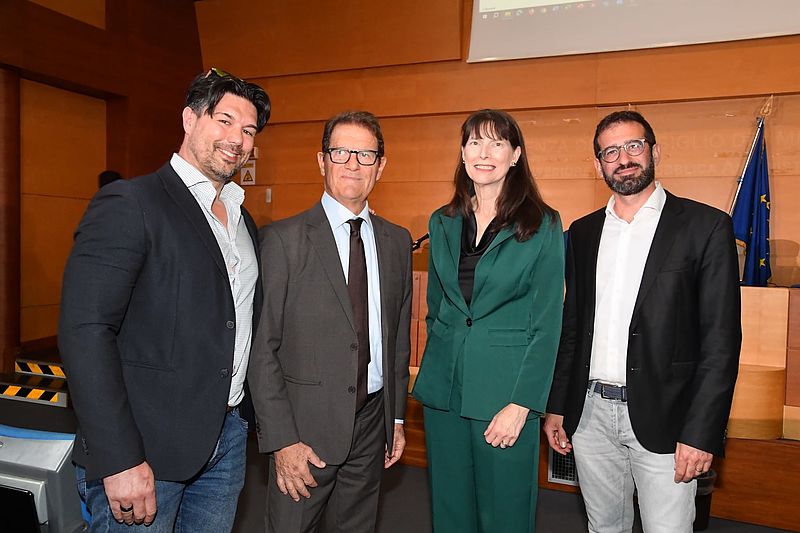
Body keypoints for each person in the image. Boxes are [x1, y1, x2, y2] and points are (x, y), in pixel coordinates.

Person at [58, 68, 270, 532]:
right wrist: (119, 457)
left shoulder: (243, 222)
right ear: (189, 119)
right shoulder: (130, 202)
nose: (237, 139)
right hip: (144, 452)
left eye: (249, 130)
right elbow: (85, 331)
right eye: (225, 120)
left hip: (226, 442)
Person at [544, 110, 741, 532]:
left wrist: (701, 432)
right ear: (598, 164)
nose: (624, 158)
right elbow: (572, 327)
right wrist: (558, 405)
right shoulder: (582, 233)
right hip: (590, 415)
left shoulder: (705, 227)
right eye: (610, 151)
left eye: (633, 145)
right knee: (603, 527)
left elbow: (721, 343)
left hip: (669, 419)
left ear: (654, 151)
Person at [247, 110, 412, 533]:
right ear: (322, 161)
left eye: (365, 154)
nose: (353, 164)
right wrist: (282, 439)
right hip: (304, 431)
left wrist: (395, 419)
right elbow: (261, 350)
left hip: (372, 426)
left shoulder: (396, 242)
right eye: (341, 152)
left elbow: (396, 343)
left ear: (380, 165)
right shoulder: (283, 240)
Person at [412, 109, 565, 533]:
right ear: (463, 153)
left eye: (497, 143)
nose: (484, 153)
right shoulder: (442, 221)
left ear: (515, 155)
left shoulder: (542, 224)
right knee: (450, 514)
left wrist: (523, 404)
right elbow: (438, 310)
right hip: (444, 393)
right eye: (475, 142)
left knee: (505, 516)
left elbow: (547, 324)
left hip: (505, 397)